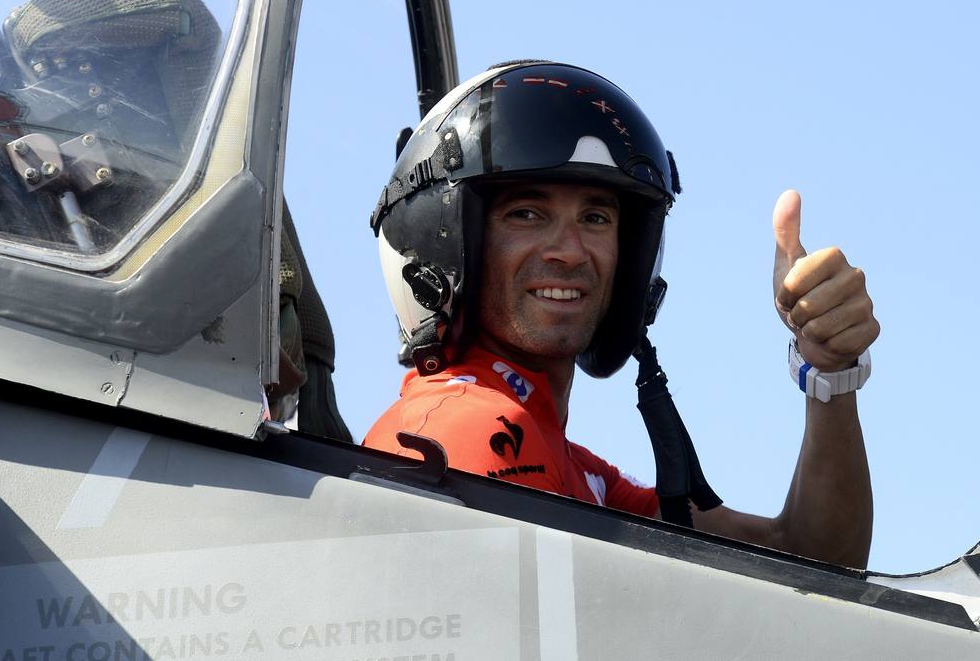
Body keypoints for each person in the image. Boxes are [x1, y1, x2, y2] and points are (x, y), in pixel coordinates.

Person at [363, 60, 876, 567]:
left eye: (595, 217)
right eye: (526, 213)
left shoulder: (569, 468)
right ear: (450, 243)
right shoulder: (462, 434)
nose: (569, 250)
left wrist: (830, 373)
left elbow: (809, 560)